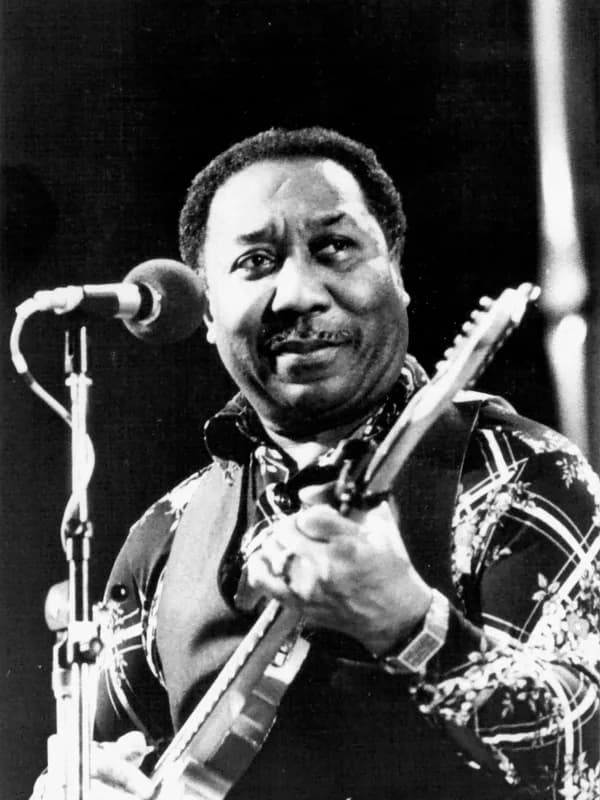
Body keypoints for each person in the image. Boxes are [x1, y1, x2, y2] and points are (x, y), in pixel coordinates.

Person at [35, 127, 600, 799]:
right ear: (208, 312)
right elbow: (113, 758)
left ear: (396, 273)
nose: (299, 292)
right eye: (255, 262)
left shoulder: (520, 474)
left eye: (334, 247)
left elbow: (589, 762)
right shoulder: (163, 537)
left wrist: (411, 624)